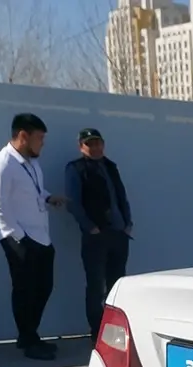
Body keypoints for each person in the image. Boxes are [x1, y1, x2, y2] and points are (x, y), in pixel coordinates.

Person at [0, 112, 66, 361]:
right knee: (26, 290)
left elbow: (33, 191)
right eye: (39, 138)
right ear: (23, 136)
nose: (42, 143)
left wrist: (48, 197)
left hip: (40, 236)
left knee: (44, 287)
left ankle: (29, 334)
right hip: (19, 239)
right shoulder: (3, 165)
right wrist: (21, 238)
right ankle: (29, 340)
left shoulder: (30, 162)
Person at [64, 127, 134, 344]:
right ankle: (98, 332)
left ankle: (116, 332)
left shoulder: (110, 166)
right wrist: (90, 227)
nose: (95, 147)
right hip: (96, 237)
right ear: (81, 147)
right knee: (96, 286)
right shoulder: (76, 168)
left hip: (119, 234)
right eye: (89, 144)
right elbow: (73, 203)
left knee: (117, 285)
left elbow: (121, 196)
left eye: (98, 143)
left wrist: (127, 224)